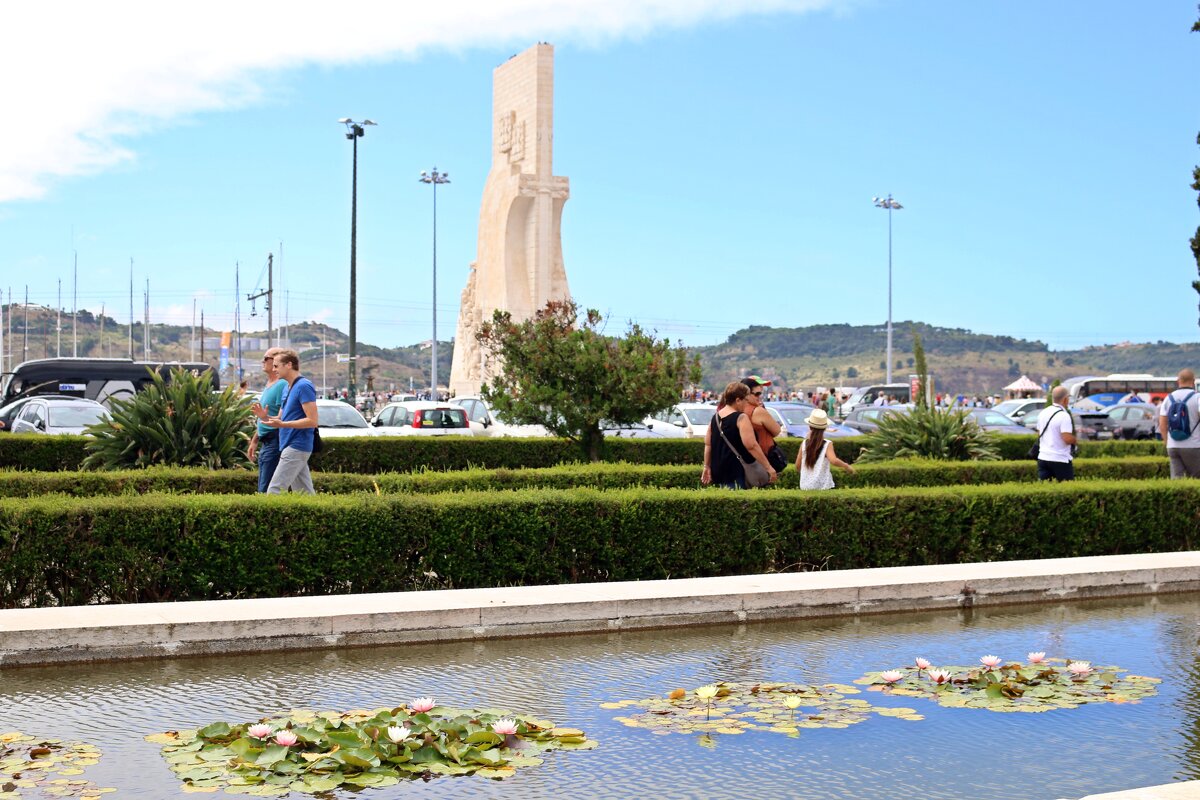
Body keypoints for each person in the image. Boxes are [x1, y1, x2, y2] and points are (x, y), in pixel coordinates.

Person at [253, 349, 318, 494]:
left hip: (297, 445)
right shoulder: (287, 388)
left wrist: (282, 425)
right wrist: (265, 417)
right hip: (289, 444)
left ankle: (267, 516)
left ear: (288, 365)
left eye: (276, 366)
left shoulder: (304, 386)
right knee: (303, 493)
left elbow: (312, 421)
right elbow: (281, 418)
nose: (274, 369)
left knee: (274, 490)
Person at [702, 381, 777, 489]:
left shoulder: (715, 417)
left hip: (718, 471)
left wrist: (706, 466)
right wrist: (768, 467)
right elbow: (751, 445)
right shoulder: (741, 418)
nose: (747, 404)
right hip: (736, 471)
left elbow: (708, 444)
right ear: (738, 400)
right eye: (745, 400)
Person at [247, 347, 286, 493]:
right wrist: (255, 440)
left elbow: (282, 416)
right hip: (267, 441)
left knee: (266, 489)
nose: (262, 361)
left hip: (275, 440)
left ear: (276, 360)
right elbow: (264, 417)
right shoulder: (270, 384)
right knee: (265, 486)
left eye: (266, 358)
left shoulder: (281, 384)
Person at [796, 409, 854, 490]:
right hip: (823, 486)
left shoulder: (804, 443)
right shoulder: (827, 444)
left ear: (809, 426)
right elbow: (834, 460)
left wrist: (805, 475)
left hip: (805, 486)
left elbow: (798, 465)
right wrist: (846, 466)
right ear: (824, 428)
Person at [1158, 368, 1200, 479]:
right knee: (1197, 479)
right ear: (1193, 381)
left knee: (1177, 479)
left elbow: (1162, 423)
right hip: (1194, 445)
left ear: (1178, 381)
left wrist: (1167, 442)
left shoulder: (1168, 398)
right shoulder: (1197, 398)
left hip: (1173, 446)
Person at [1035, 385, 1077, 481]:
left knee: (1045, 489)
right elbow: (1067, 438)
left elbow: (1039, 434)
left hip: (1043, 457)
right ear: (1065, 399)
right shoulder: (1064, 415)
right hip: (1060, 458)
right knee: (1067, 489)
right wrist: (1075, 440)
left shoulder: (1043, 412)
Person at [741, 375, 783, 471]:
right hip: (762, 458)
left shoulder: (737, 409)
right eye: (757, 394)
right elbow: (777, 430)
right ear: (746, 394)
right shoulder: (758, 411)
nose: (760, 397)